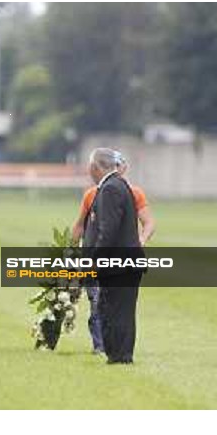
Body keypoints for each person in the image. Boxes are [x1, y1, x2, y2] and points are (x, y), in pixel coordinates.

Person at [72, 151, 155, 354]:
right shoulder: (99, 191)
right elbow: (80, 225)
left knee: (109, 306)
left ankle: (114, 352)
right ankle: (110, 349)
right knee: (106, 306)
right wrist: (71, 253)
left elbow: (109, 231)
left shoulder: (114, 189)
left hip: (111, 260)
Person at [83, 148, 144, 365]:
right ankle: (121, 355)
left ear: (95, 167)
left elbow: (107, 231)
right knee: (120, 311)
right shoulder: (119, 184)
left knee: (115, 310)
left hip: (117, 265)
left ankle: (119, 356)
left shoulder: (110, 189)